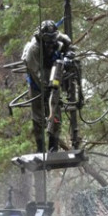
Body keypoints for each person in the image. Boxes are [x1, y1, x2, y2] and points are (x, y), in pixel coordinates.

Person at [23, 19, 72, 153]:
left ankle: (53, 147)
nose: (50, 44)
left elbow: (68, 41)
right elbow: (34, 72)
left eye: (52, 40)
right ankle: (40, 148)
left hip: (52, 72)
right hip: (36, 79)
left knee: (55, 112)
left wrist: (68, 54)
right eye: (47, 41)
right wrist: (45, 88)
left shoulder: (58, 37)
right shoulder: (33, 49)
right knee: (38, 116)